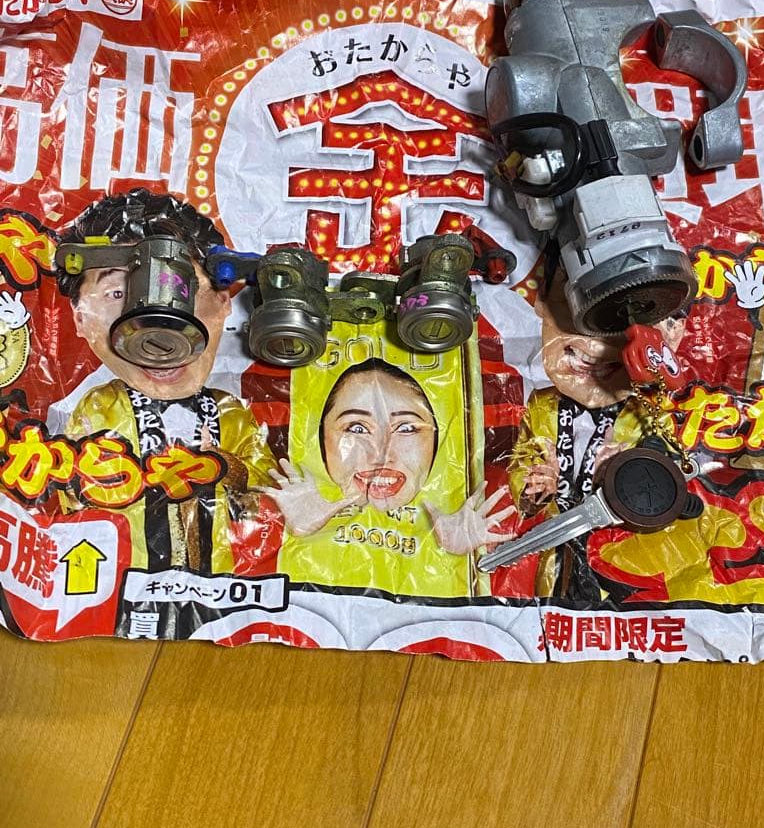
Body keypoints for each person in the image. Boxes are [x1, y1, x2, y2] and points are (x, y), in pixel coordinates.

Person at [55, 188, 278, 577]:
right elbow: (71, 495)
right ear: (79, 318)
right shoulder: (100, 406)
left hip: (224, 582)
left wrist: (223, 466)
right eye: (118, 292)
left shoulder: (231, 414)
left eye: (177, 286)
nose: (154, 329)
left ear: (224, 299)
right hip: (121, 578)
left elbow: (266, 488)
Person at [507, 264, 687, 603]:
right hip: (553, 541)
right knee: (550, 599)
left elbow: (670, 480)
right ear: (541, 307)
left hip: (619, 548)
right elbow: (524, 454)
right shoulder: (541, 404)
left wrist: (630, 468)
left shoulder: (650, 414)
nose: (593, 345)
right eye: (574, 313)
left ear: (673, 333)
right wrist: (533, 484)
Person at [269, 357, 514, 597]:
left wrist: (461, 553)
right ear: (322, 436)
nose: (381, 455)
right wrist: (287, 527)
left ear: (436, 438)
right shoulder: (280, 500)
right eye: (357, 428)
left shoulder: (489, 491)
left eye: (406, 428)